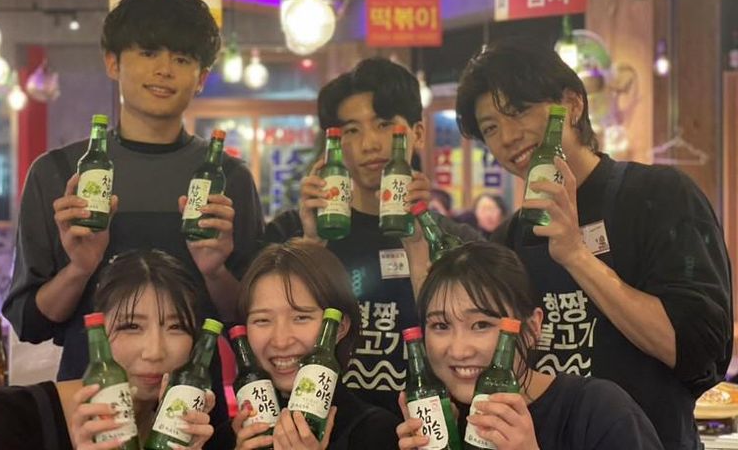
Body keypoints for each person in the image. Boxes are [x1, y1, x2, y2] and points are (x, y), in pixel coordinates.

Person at [2, 0, 265, 432]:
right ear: (113, 62)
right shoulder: (60, 173)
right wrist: (79, 269)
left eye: (182, 59)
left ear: (201, 77)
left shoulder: (228, 179)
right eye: (147, 52)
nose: (164, 69)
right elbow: (30, 322)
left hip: (192, 411)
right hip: (89, 408)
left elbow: (246, 321)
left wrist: (216, 271)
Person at [450, 37, 732, 449]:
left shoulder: (659, 196)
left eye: (519, 111)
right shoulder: (510, 236)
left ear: (572, 104)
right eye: (491, 128)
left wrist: (577, 256)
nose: (507, 136)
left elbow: (700, 355)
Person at [264, 57, 480, 415]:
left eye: (383, 125)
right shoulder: (291, 234)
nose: (369, 144)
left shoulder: (455, 241)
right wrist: (313, 244)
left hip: (425, 428)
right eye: (351, 130)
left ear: (417, 133)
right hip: (322, 430)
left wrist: (417, 248)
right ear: (334, 143)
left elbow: (470, 340)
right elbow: (271, 336)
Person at [396, 242, 664, 450]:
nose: (458, 351)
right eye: (440, 326)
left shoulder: (599, 411)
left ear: (533, 327)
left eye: (481, 325)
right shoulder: (439, 422)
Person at [0, 249, 218, 450]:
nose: (154, 352)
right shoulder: (10, 419)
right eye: (131, 326)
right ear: (97, 331)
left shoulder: (194, 432)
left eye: (176, 327)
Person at [230, 238, 400, 450]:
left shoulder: (379, 433)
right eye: (262, 320)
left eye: (301, 318)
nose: (281, 341)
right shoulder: (226, 437)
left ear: (339, 327)